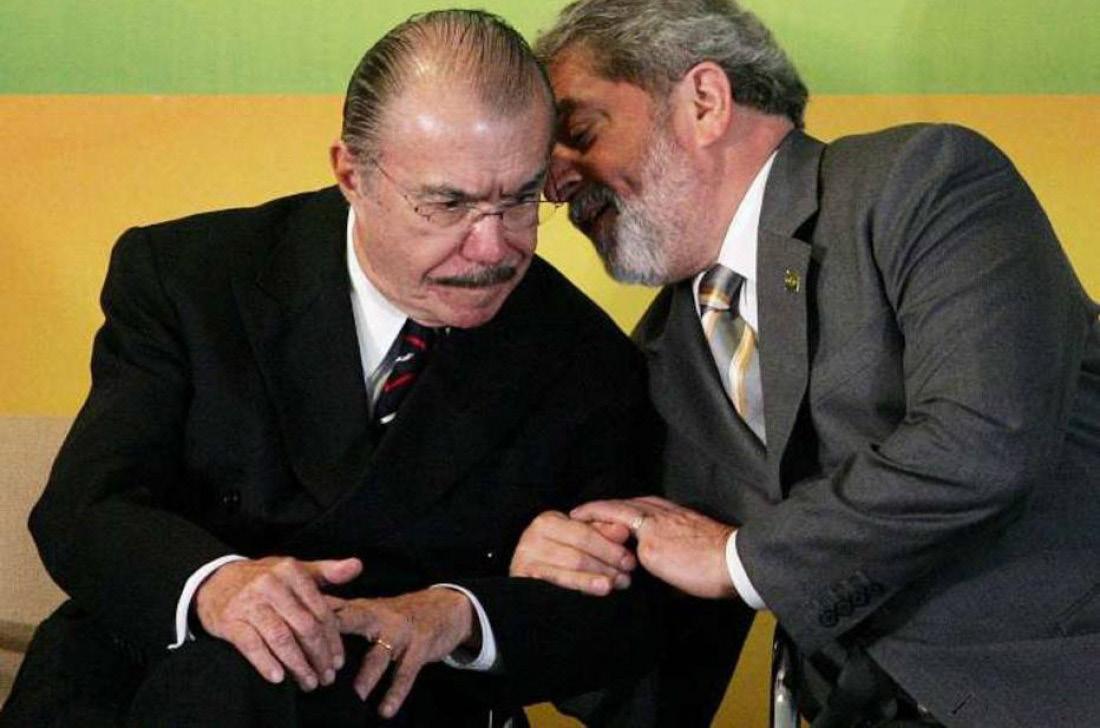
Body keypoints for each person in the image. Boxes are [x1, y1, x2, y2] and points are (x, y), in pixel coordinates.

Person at [1, 9, 659, 727]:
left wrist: (462, 613)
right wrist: (217, 588)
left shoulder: (584, 357)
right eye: (447, 204)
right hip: (143, 675)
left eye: (521, 200)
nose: (492, 248)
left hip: (397, 698)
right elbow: (86, 507)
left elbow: (611, 613)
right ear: (351, 173)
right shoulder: (189, 277)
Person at [510, 1, 1100, 726]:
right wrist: (560, 580)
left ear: (704, 102)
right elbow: (659, 680)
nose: (554, 184)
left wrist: (739, 559)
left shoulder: (920, 182)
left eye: (579, 133)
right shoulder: (658, 359)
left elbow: (982, 442)